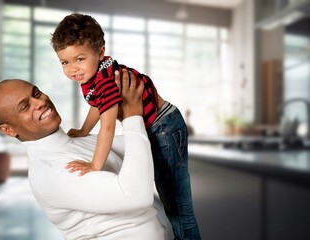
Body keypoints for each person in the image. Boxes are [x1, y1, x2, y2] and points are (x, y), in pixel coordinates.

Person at [51, 13, 201, 239]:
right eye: (65, 62)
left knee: (178, 206)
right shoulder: (94, 76)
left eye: (79, 59)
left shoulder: (106, 81)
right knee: (169, 198)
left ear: (100, 52)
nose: (73, 69)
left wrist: (94, 164)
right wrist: (83, 131)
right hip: (157, 125)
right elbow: (98, 107)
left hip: (165, 126)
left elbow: (108, 127)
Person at [0, 70, 165, 239]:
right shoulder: (50, 173)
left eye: (36, 93)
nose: (39, 102)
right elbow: (135, 196)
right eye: (25, 106)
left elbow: (147, 143)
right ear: (8, 130)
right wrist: (132, 115)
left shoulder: (75, 142)